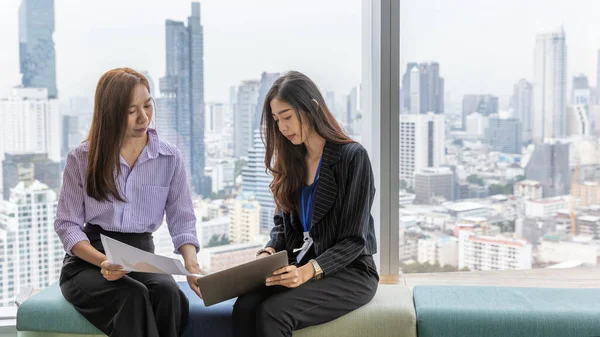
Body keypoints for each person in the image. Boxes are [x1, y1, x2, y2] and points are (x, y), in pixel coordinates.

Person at [55, 68, 203, 337]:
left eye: (147, 105)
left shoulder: (169, 158)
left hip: (142, 255)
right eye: (131, 110)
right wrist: (103, 262)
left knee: (168, 294)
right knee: (131, 296)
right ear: (111, 113)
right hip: (90, 259)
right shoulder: (82, 158)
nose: (143, 117)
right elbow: (68, 226)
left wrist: (191, 265)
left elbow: (182, 220)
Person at [232, 71, 379, 337]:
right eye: (277, 121)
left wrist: (307, 271)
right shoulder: (291, 161)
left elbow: (354, 240)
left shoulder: (352, 158)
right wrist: (269, 252)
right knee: (245, 306)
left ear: (311, 107)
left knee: (273, 313)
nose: (282, 128)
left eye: (287, 117)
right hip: (301, 265)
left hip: (351, 271)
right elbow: (282, 223)